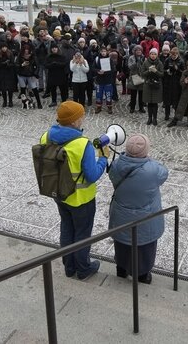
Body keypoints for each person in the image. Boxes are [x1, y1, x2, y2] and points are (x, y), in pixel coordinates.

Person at [41, 101, 108, 280]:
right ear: (73, 121)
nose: (83, 118)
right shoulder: (82, 144)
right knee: (82, 233)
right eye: (81, 116)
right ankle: (83, 268)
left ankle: (69, 267)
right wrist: (103, 158)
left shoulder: (46, 136)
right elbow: (92, 175)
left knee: (66, 227)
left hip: (59, 193)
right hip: (81, 198)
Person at [108, 133, 169, 284]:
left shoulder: (116, 165)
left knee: (122, 243)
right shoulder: (153, 170)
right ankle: (142, 274)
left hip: (121, 215)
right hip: (145, 218)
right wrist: (148, 159)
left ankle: (121, 269)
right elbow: (164, 173)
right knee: (144, 247)